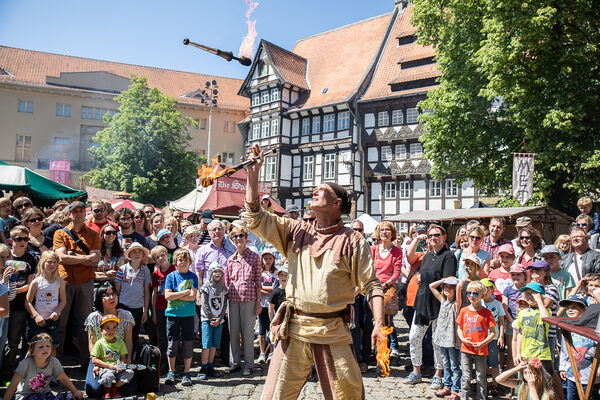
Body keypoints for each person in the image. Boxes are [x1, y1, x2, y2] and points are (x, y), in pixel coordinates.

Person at [244, 144, 383, 400]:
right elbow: (256, 216)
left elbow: (372, 285)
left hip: (333, 329)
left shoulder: (353, 240)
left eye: (323, 190)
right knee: (276, 395)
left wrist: (380, 323)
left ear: (337, 203)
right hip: (295, 327)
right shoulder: (296, 230)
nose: (315, 190)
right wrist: (253, 175)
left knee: (348, 395)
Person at [405, 224, 456, 387]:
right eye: (431, 235)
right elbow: (422, 271)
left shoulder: (448, 256)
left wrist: (432, 281)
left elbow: (448, 279)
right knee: (414, 337)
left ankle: (438, 374)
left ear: (444, 237)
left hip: (438, 303)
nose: (433, 238)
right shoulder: (427, 256)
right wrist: (421, 276)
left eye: (437, 235)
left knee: (436, 341)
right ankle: (416, 371)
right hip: (421, 302)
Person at [53, 201, 101, 366]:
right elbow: (61, 258)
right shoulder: (60, 233)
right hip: (64, 281)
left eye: (81, 211)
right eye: (75, 211)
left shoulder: (94, 234)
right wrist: (85, 258)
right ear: (69, 214)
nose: (78, 214)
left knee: (85, 323)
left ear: (85, 213)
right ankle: (56, 362)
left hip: (85, 281)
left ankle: (86, 361)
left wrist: (73, 256)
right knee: (61, 323)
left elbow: (94, 260)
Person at [84, 282, 135, 398]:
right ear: (99, 298)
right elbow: (92, 343)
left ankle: (113, 388)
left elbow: (128, 341)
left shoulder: (126, 315)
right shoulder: (93, 317)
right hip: (100, 359)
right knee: (93, 391)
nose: (112, 297)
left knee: (129, 389)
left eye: (114, 294)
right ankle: (106, 386)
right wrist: (95, 363)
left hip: (119, 359)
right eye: (106, 295)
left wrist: (128, 360)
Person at [225, 224, 261, 376]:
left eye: (241, 236)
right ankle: (235, 363)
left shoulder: (254, 257)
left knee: (247, 333)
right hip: (233, 299)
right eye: (235, 236)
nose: (238, 239)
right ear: (232, 239)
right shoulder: (231, 259)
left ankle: (248, 364)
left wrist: (258, 301)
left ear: (246, 238)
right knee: (233, 332)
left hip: (249, 299)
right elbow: (227, 282)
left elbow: (258, 281)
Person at [3, 333, 83, 400]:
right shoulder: (25, 364)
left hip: (44, 393)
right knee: (38, 397)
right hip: (26, 396)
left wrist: (74, 391)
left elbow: (63, 378)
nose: (45, 349)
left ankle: (64, 396)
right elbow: (13, 384)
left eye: (48, 346)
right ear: (32, 351)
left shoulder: (54, 362)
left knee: (48, 397)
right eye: (41, 347)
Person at [3, 226, 38, 375]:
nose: (22, 242)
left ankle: (8, 370)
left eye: (26, 239)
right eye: (19, 239)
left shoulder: (30, 259)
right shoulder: (5, 256)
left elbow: (31, 284)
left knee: (14, 340)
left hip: (19, 305)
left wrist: (13, 291)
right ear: (12, 240)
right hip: (3, 303)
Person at [456, 280, 496, 400]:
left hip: (481, 350)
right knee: (466, 376)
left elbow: (493, 333)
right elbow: (459, 328)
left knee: (480, 377)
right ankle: (464, 397)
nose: (471, 296)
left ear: (482, 296)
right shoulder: (464, 311)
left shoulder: (486, 313)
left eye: (475, 294)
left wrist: (482, 343)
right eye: (469, 293)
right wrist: (463, 339)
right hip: (466, 349)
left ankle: (481, 397)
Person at [164, 248, 198, 387]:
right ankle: (171, 371)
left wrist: (176, 295)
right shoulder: (171, 277)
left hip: (188, 315)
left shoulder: (193, 277)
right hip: (173, 315)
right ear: (176, 262)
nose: (182, 262)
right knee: (172, 343)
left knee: (188, 344)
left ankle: (186, 372)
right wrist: (184, 293)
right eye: (180, 260)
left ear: (189, 262)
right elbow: (167, 296)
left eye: (185, 260)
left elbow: (193, 297)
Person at [557, 295, 600, 400]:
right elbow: (564, 349)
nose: (570, 310)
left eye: (574, 307)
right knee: (572, 397)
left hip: (591, 374)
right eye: (567, 308)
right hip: (572, 373)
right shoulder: (567, 327)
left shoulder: (593, 325)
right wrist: (563, 367)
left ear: (584, 309)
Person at [371, 221, 402, 358]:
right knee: (371, 321)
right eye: (382, 230)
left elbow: (396, 273)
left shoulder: (396, 251)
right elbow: (370, 269)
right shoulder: (374, 250)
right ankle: (373, 350)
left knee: (386, 323)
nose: (384, 232)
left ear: (392, 233)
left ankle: (384, 354)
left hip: (387, 290)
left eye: (387, 230)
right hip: (373, 288)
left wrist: (386, 284)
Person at [25, 251, 66, 356]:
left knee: (52, 347)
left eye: (54, 262)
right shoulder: (36, 282)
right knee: (35, 347)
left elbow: (63, 300)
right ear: (42, 263)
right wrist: (36, 316)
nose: (52, 265)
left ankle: (52, 370)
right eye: (49, 262)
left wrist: (57, 312)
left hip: (53, 320)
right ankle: (32, 370)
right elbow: (28, 302)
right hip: (38, 320)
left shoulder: (60, 282)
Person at [429, 276, 461, 400]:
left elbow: (459, 288)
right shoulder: (443, 300)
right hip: (442, 339)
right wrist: (443, 281)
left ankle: (455, 388)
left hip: (452, 341)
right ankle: (447, 385)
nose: (447, 289)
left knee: (455, 365)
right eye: (445, 287)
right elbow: (431, 286)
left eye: (450, 287)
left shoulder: (457, 304)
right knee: (446, 364)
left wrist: (456, 283)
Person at [114, 242, 151, 350]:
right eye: (134, 252)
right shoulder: (122, 269)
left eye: (139, 252)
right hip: (123, 305)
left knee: (134, 334)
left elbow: (147, 291)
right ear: (129, 255)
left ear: (143, 255)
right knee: (120, 333)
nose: (137, 254)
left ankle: (132, 358)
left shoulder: (146, 270)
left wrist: (145, 310)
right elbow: (117, 288)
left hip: (138, 307)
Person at [90, 315, 134, 399]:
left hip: (117, 368)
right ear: (101, 330)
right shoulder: (99, 343)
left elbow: (123, 357)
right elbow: (94, 360)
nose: (111, 331)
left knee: (130, 373)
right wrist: (109, 366)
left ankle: (114, 388)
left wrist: (121, 363)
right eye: (107, 328)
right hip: (105, 368)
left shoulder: (120, 342)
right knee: (108, 376)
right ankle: (107, 390)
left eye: (114, 327)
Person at [198, 261, 227, 380]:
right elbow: (205, 305)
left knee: (215, 345)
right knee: (206, 345)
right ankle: (203, 367)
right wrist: (211, 319)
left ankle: (210, 366)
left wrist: (219, 319)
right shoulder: (206, 287)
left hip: (219, 320)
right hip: (207, 320)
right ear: (210, 273)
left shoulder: (224, 288)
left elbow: (224, 304)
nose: (217, 274)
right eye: (215, 271)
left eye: (219, 272)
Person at [149, 245, 175, 372]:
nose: (160, 258)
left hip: (173, 307)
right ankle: (164, 362)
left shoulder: (174, 269)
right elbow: (154, 293)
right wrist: (153, 312)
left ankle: (174, 361)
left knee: (173, 335)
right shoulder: (155, 274)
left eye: (162, 255)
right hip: (160, 307)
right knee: (162, 336)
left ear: (167, 255)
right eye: (157, 257)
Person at [480, 278, 505, 396]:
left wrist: (501, 336)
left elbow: (501, 321)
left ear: (492, 290)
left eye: (487, 289)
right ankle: (482, 384)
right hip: (481, 338)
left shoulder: (497, 304)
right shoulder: (479, 303)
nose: (484, 292)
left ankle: (495, 384)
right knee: (482, 361)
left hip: (493, 337)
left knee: (494, 362)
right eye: (482, 289)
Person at [542, 245, 575, 312]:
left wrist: (560, 312)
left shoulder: (566, 275)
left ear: (559, 257)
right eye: (546, 258)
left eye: (552, 257)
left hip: (561, 312)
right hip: (546, 311)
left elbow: (568, 297)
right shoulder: (542, 274)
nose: (549, 260)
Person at [258, 249, 276, 363]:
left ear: (273, 259)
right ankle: (262, 352)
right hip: (262, 305)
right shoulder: (259, 273)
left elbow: (277, 289)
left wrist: (264, 289)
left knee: (272, 328)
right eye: (265, 259)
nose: (268, 261)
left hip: (273, 305)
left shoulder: (276, 273)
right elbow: (257, 289)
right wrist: (269, 291)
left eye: (270, 258)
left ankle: (271, 352)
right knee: (261, 329)